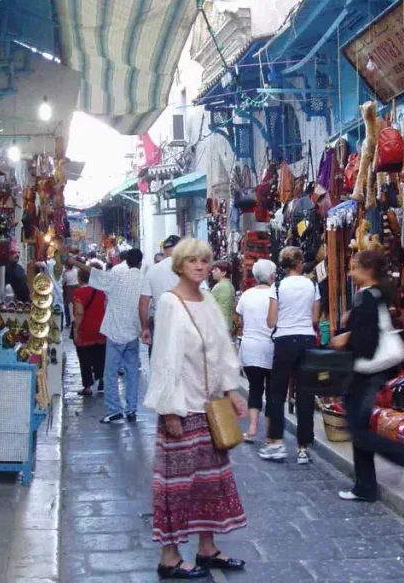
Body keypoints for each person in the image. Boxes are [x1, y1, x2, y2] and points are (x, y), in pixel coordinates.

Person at [144, 238, 247, 579]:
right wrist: (169, 408)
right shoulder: (170, 302)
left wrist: (232, 389)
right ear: (179, 265)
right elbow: (165, 358)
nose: (200, 267)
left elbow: (222, 349)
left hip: (210, 409)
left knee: (209, 483)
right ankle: (169, 557)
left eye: (205, 261)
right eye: (193, 262)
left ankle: (206, 548)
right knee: (177, 484)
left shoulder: (206, 300)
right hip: (183, 407)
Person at [330, 249, 404, 501]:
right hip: (369, 369)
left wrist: (345, 339)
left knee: (358, 429)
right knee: (357, 427)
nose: (350, 272)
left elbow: (366, 338)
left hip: (366, 369)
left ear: (366, 270)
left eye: (354, 267)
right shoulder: (373, 295)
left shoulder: (367, 298)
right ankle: (365, 486)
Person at [259, 246, 320, 465]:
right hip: (306, 339)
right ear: (300, 263)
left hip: (284, 341)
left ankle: (276, 443)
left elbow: (271, 321)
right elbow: (315, 316)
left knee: (276, 393)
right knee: (305, 394)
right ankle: (303, 448)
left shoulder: (277, 286)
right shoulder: (312, 285)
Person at [99, 248, 145, 424]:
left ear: (126, 261)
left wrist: (72, 262)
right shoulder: (143, 280)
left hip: (114, 331)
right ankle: (131, 409)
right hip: (133, 332)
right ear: (140, 262)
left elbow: (95, 279)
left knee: (110, 373)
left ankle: (114, 409)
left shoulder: (116, 276)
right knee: (131, 372)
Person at [235, 259, 277, 443]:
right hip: (270, 347)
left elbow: (240, 317)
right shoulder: (275, 294)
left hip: (249, 347)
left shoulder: (246, 295)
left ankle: (252, 429)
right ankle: (269, 434)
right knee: (272, 392)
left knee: (255, 389)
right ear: (271, 276)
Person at [140, 235, 181, 350]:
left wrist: (144, 328)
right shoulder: (190, 267)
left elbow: (144, 301)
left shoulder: (153, 271)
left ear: (165, 250)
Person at [71, 263, 106, 395]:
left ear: (80, 278)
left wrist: (75, 330)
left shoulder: (79, 293)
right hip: (100, 328)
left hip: (85, 329)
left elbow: (79, 313)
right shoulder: (102, 291)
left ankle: (87, 386)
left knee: (84, 358)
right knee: (100, 355)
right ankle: (101, 379)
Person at [210, 261, 235, 336]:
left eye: (216, 270)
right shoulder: (230, 286)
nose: (212, 272)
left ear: (224, 273)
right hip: (227, 323)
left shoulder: (219, 286)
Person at [62, 258, 79, 333]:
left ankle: (70, 321)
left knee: (69, 305)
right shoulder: (76, 271)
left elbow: (63, 282)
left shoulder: (66, 274)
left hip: (69, 289)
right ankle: (74, 320)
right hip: (76, 288)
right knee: (74, 305)